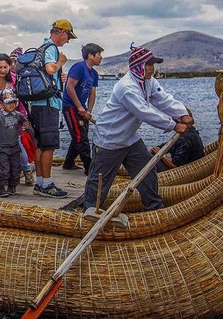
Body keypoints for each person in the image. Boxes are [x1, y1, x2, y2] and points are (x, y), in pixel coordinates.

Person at [83, 44, 192, 212]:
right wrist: (174, 125)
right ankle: (89, 211)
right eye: (149, 65)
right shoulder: (126, 87)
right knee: (99, 180)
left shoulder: (147, 81)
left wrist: (182, 113)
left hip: (130, 138)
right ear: (139, 66)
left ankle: (154, 207)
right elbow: (144, 112)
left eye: (153, 65)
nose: (152, 69)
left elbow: (163, 99)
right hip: (110, 140)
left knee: (147, 171)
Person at [28, 19, 75, 198]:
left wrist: (57, 77)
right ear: (61, 33)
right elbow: (49, 68)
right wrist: (61, 62)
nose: (68, 40)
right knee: (49, 147)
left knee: (40, 145)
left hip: (37, 105)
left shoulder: (40, 48)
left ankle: (40, 182)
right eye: (68, 36)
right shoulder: (51, 49)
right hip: (48, 105)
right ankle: (47, 185)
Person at [62, 43, 103, 173]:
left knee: (79, 134)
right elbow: (69, 87)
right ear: (90, 56)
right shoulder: (79, 67)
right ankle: (89, 168)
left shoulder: (94, 74)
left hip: (82, 109)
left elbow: (92, 93)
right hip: (71, 107)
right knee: (81, 138)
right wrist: (79, 107)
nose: (101, 57)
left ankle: (68, 163)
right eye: (99, 54)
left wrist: (88, 111)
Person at [0, 88, 28, 197]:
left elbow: (25, 123)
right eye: (8, 103)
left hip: (14, 147)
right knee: (4, 170)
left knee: (16, 170)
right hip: (2, 148)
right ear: (2, 103)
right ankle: (0, 187)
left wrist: (26, 125)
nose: (11, 105)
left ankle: (12, 187)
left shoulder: (17, 114)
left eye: (13, 102)